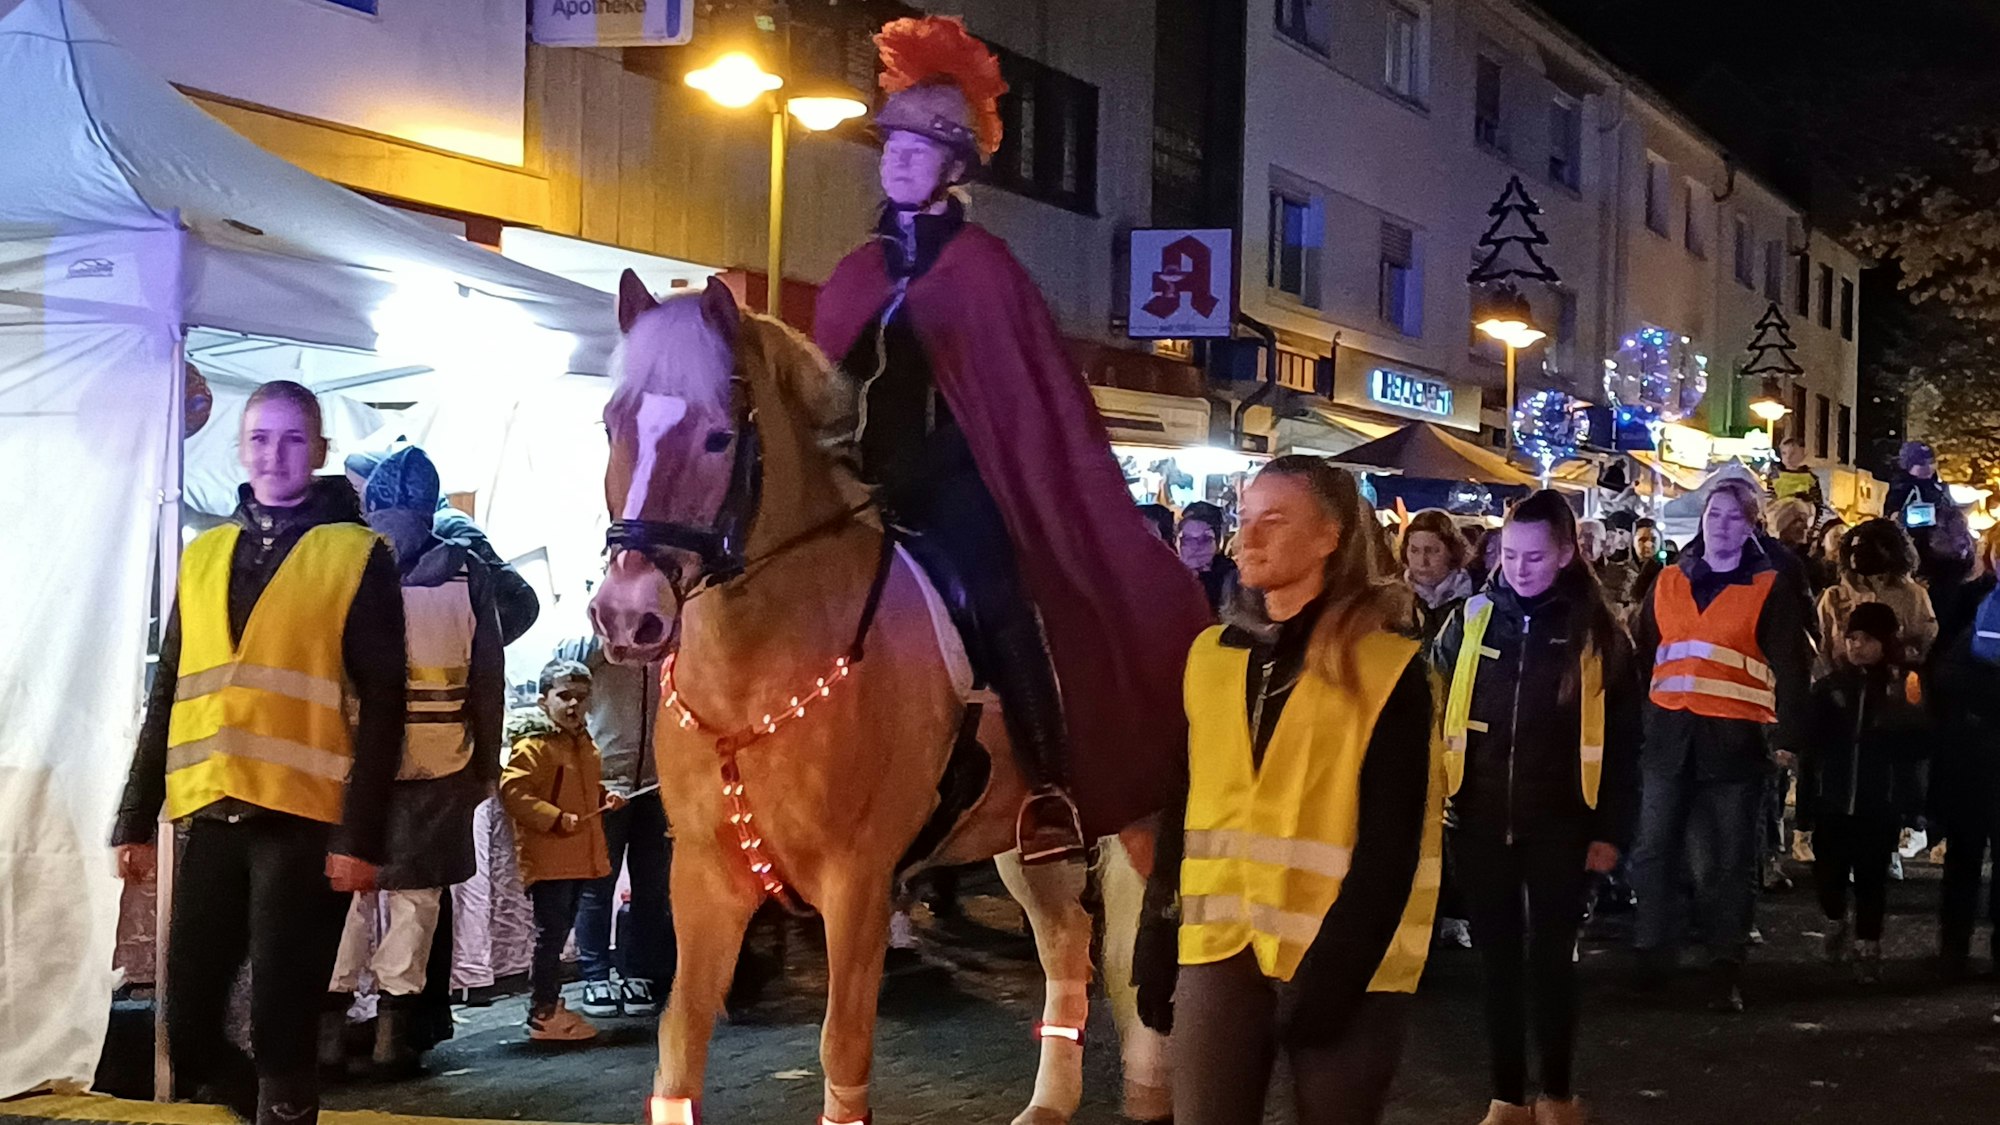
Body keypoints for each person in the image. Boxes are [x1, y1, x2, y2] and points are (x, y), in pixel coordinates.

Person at [813, 16, 1209, 864]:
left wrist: (940, 469)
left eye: (919, 151)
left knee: (996, 594)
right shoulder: (859, 271)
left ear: (954, 167)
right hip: (860, 485)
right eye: (892, 148)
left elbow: (1015, 400)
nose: (899, 160)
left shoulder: (984, 268)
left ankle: (1052, 785)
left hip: (959, 484)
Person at [112, 380, 403, 1125]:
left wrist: (360, 836)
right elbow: (169, 691)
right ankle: (270, 1112)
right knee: (190, 1022)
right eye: (262, 438)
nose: (276, 454)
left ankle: (282, 1103)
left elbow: (383, 709)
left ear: (320, 450)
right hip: (210, 811)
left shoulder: (355, 554)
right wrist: (135, 817)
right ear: (241, 448)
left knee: (282, 1020)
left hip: (303, 821)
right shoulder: (203, 555)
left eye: (294, 439)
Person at [1133, 457, 1443, 1125]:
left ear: (1330, 536)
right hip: (1221, 944)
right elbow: (1185, 804)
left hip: (1343, 956)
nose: (1249, 537)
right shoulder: (1212, 656)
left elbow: (1393, 840)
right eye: (1246, 520)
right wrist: (1157, 934)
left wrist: (1343, 966)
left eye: (1275, 520)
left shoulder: (1388, 667)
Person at [1434, 490, 1642, 1125]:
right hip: (1478, 815)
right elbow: (1434, 701)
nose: (1519, 568)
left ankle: (1555, 1091)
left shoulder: (1599, 634)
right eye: (1511, 554)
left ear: (1566, 554)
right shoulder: (1469, 619)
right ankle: (1506, 1097)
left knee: (1553, 961)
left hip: (1562, 822)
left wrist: (1611, 831)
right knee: (1496, 963)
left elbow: (1627, 744)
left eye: (1534, 557)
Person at [321, 447, 505, 1076]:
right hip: (441, 758)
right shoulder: (465, 570)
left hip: (348, 763)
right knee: (416, 900)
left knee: (347, 894)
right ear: (432, 507)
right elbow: (487, 674)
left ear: (370, 503)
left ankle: (328, 1026)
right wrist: (487, 759)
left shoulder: (342, 562)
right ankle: (392, 1038)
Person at [1630, 478, 1811, 1012]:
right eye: (1715, 515)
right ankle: (1652, 954)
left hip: (1734, 741)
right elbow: (1644, 653)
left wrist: (1789, 738)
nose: (1722, 525)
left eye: (1734, 517)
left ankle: (1723, 964)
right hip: (1668, 737)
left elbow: (1792, 669)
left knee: (1727, 862)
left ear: (1752, 524)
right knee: (1654, 850)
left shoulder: (1769, 586)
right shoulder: (1668, 580)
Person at [1801, 602, 1927, 984]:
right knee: (1829, 875)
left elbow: (1917, 748)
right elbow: (1812, 750)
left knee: (1872, 878)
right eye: (1852, 637)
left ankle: (1868, 944)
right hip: (1834, 802)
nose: (1856, 646)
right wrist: (1806, 810)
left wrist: (1911, 809)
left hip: (1878, 804)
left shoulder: (1903, 684)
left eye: (1867, 639)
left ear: (1885, 641)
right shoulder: (1831, 687)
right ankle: (1836, 919)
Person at [554, 633, 672, 1019]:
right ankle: (595, 975)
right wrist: (612, 631)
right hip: (605, 783)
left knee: (652, 888)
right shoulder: (597, 642)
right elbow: (564, 665)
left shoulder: (666, 639)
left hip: (657, 784)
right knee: (596, 885)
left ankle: (639, 973)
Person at [500, 660, 618, 1041]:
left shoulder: (582, 743)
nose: (573, 705)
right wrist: (553, 818)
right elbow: (514, 792)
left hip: (574, 855)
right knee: (550, 935)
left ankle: (547, 1003)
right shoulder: (534, 746)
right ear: (543, 700)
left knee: (557, 931)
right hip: (550, 857)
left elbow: (583, 789)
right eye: (564, 696)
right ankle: (542, 1009)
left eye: (581, 698)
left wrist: (605, 797)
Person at [344, 452, 541, 645]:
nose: (359, 503)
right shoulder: (420, 531)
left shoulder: (448, 526)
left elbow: (518, 601)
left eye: (358, 490)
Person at [1928, 524, 2000, 980]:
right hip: (1971, 745)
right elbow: (1940, 668)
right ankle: (1953, 946)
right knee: (1963, 851)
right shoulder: (1969, 598)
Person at [1816, 518, 1937, 676]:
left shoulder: (1911, 594)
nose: (1860, 555)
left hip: (1895, 684)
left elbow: (1923, 643)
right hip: (1846, 687)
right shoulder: (1834, 597)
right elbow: (1825, 651)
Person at [1403, 508, 1475, 640]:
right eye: (1414, 551)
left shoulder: (1474, 601)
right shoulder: (1395, 602)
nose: (1422, 561)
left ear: (1452, 552)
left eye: (1432, 551)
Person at [1179, 500, 1239, 615]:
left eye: (1205, 539)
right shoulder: (1167, 580)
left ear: (1217, 543)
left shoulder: (1232, 582)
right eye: (1187, 539)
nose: (1196, 546)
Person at [1883, 440, 1950, 541]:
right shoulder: (1902, 487)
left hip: (1939, 541)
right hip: (1916, 542)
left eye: (1931, 462)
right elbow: (1893, 516)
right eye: (1922, 463)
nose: (1929, 467)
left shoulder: (1938, 486)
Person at [1766, 435, 1828, 513]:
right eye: (1784, 453)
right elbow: (1769, 501)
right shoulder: (1775, 476)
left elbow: (1817, 505)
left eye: (1793, 453)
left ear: (1803, 453)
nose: (1788, 458)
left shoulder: (1811, 479)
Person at [1807, 518, 1848, 598]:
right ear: (1822, 541)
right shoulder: (1811, 568)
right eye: (1835, 536)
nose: (1840, 541)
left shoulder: (1852, 571)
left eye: (1844, 537)